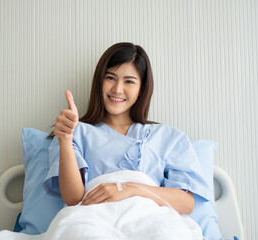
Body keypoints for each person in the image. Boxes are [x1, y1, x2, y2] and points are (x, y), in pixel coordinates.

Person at [44, 42, 209, 215]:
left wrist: (130, 189)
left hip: (151, 221)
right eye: (110, 78)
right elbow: (73, 199)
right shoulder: (74, 132)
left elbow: (187, 203)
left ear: (141, 89)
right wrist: (65, 141)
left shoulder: (169, 137)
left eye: (129, 81)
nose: (117, 89)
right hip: (93, 220)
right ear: (99, 81)